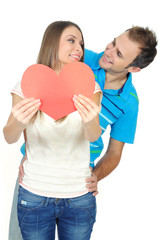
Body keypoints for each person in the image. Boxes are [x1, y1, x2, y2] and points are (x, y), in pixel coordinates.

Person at [7, 25, 158, 240]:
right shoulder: (80, 58)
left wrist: (95, 176)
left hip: (76, 182)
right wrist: (27, 150)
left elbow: (114, 152)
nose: (108, 52)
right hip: (35, 174)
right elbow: (36, 88)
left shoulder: (129, 103)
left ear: (133, 68)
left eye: (119, 54)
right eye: (113, 42)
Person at [3, 21, 102, 240]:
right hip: (34, 195)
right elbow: (9, 137)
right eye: (71, 40)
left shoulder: (90, 86)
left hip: (79, 196)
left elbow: (93, 135)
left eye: (81, 44)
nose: (79, 48)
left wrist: (89, 122)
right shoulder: (26, 85)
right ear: (51, 42)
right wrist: (18, 122)